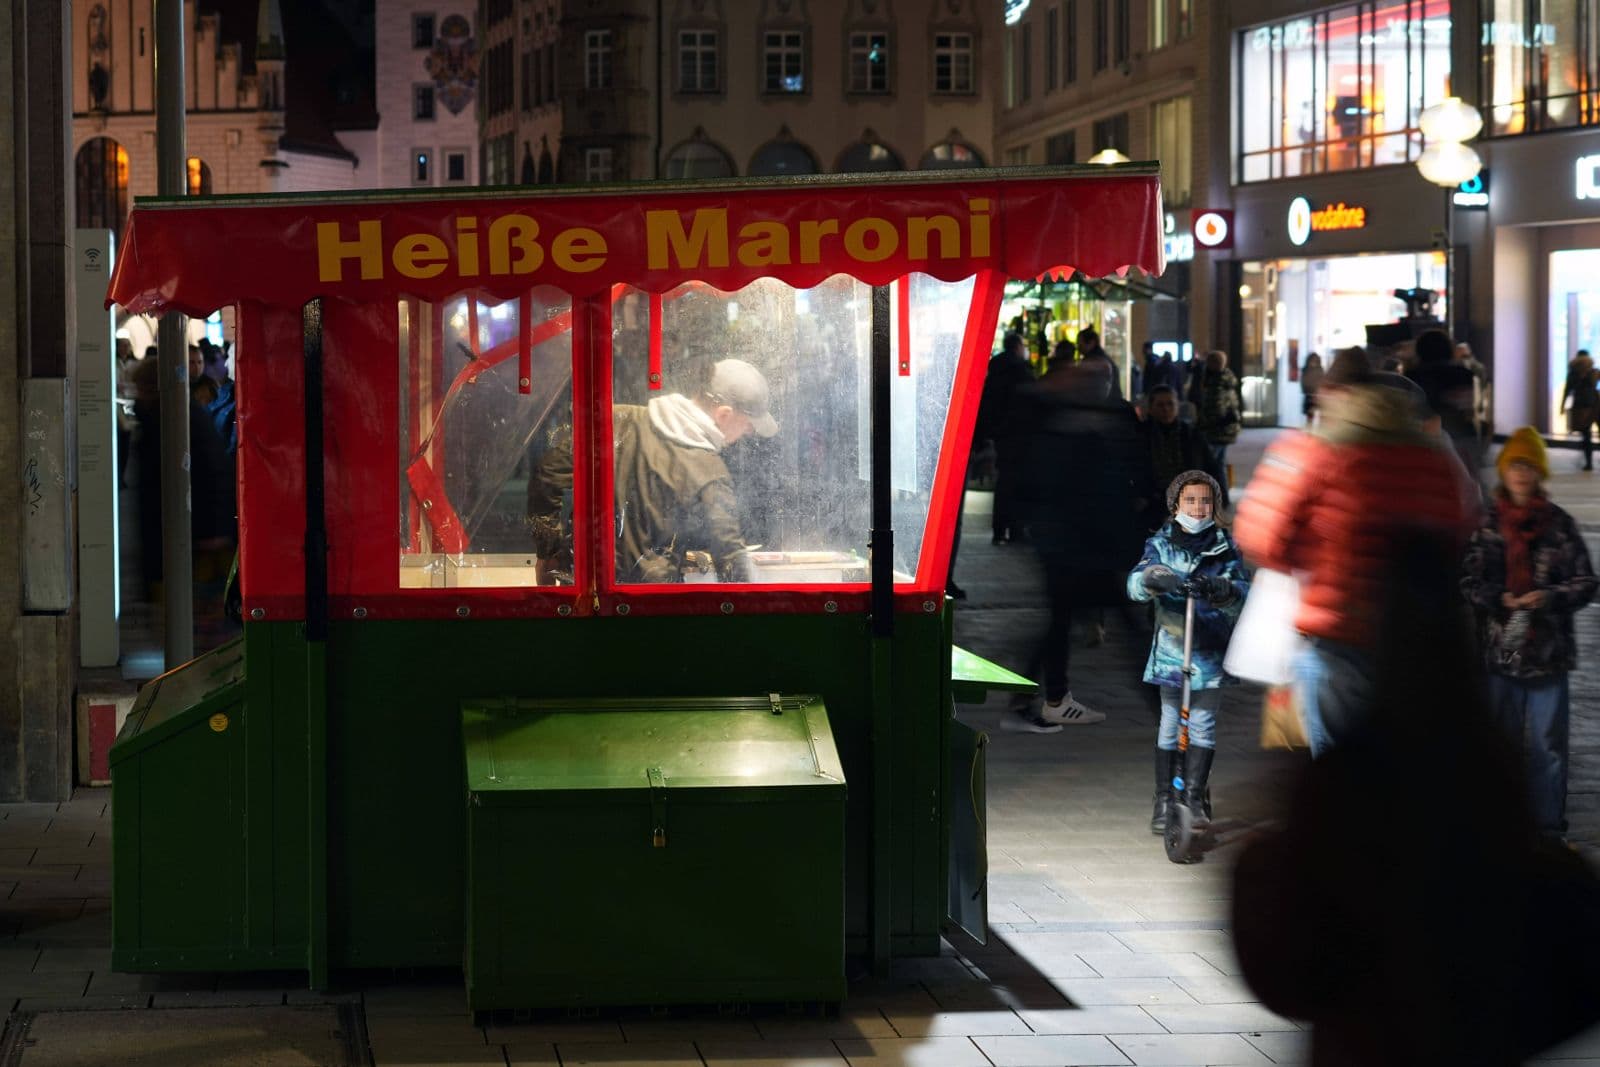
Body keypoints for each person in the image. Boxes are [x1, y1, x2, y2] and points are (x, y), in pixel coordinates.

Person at [1235, 347, 1479, 756]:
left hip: (1338, 629)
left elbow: (1262, 538)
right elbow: (1459, 528)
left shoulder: (1313, 452)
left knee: (1340, 764)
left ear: (1332, 395)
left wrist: (1308, 559)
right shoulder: (1434, 457)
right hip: (1417, 633)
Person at [527, 358, 777, 584]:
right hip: (649, 604)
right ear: (724, 415)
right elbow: (730, 556)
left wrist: (548, 553)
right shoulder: (709, 472)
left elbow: (547, 473)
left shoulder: (617, 421)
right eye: (748, 425)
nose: (748, 433)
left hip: (584, 591)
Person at [1461, 428, 1597, 840]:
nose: (1522, 473)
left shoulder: (1560, 525)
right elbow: (1468, 580)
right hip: (1500, 652)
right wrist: (1498, 598)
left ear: (1540, 472)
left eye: (1529, 465)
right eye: (1515, 465)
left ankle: (1548, 828)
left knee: (1547, 747)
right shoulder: (1488, 525)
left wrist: (1549, 597)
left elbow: (1586, 581)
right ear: (1505, 470)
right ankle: (1501, 825)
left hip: (1547, 655)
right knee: (1500, 746)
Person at [1002, 358, 1148, 732]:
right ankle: (1159, 705)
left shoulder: (1069, 422)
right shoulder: (1070, 427)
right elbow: (1086, 492)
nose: (1102, 386)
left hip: (1074, 546)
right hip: (1076, 547)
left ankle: (1039, 699)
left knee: (1062, 622)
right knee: (1113, 622)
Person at [1128, 470, 1250, 836]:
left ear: (1215, 505)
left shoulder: (1226, 546)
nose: (1198, 508)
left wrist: (1225, 590)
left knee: (1202, 723)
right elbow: (1135, 582)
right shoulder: (1161, 544)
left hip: (1209, 653)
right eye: (1190, 500)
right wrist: (1152, 579)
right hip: (1172, 651)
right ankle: (1165, 796)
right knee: (1170, 721)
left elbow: (1244, 592)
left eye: (1205, 501)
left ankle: (1194, 796)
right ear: (1176, 505)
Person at [974, 331, 1035, 544]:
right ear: (1018, 347)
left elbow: (987, 405)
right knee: (1017, 482)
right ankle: (1016, 530)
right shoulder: (1022, 371)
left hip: (1000, 435)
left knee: (1003, 482)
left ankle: (999, 530)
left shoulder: (995, 370)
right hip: (1019, 434)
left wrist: (985, 436)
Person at [1139, 385, 1214, 531]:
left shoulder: (1191, 434)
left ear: (1177, 406)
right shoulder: (1141, 435)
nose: (1166, 409)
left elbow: (1210, 466)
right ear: (1151, 408)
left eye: (1170, 404)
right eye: (1160, 405)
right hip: (1153, 501)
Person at [1407, 328, 1481, 476]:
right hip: (1460, 435)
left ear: (1420, 350)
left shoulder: (1411, 376)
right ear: (1449, 349)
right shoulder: (1464, 374)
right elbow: (1469, 409)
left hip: (1422, 438)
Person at [1188, 350, 1241, 502]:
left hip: (1216, 431)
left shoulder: (1216, 383)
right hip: (1225, 430)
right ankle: (1223, 497)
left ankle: (1211, 498)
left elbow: (1215, 409)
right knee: (1219, 465)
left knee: (1208, 465)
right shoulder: (1226, 378)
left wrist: (1202, 425)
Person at [1560, 349, 1597, 471]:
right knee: (1588, 434)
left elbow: (1567, 390)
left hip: (1580, 406)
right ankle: (1588, 461)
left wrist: (1562, 406)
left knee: (1586, 435)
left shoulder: (1573, 373)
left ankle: (1588, 463)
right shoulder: (1593, 371)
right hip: (1595, 404)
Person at [1075, 327, 1123, 400]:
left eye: (1080, 344)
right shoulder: (1101, 359)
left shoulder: (1095, 362)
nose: (1078, 347)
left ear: (1091, 342)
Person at [1300, 352, 1324, 423]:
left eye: (1315, 360)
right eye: (1312, 360)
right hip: (1310, 396)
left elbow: (1321, 382)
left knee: (1318, 416)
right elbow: (1304, 383)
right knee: (1310, 417)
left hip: (1317, 396)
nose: (1313, 362)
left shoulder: (1319, 370)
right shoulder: (1306, 370)